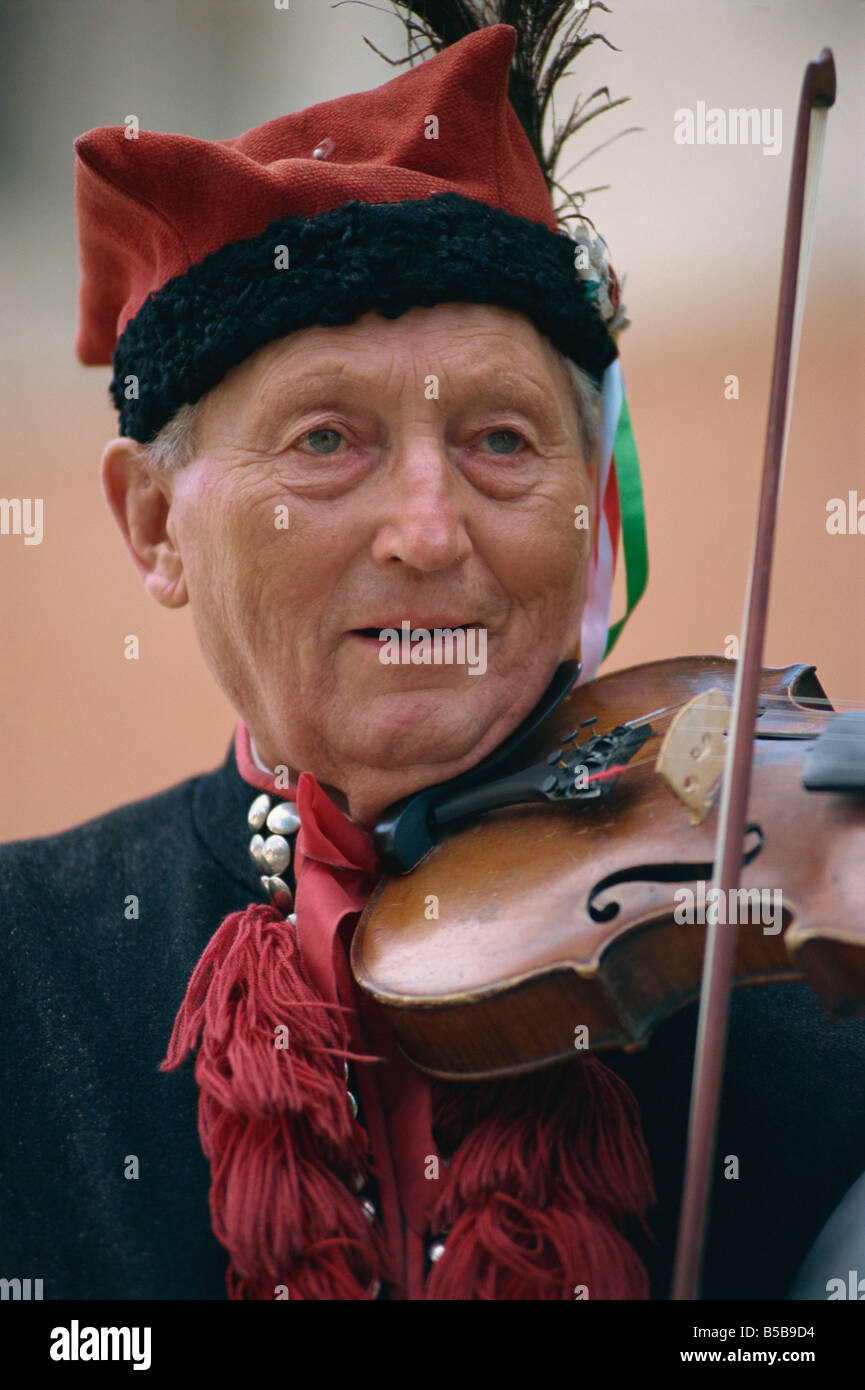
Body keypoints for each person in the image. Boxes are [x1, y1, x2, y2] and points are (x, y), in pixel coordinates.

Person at [1, 14, 862, 1303]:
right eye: (327, 440)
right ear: (154, 524)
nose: (428, 529)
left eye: (503, 440)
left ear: (592, 517)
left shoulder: (798, 975)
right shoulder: (30, 982)